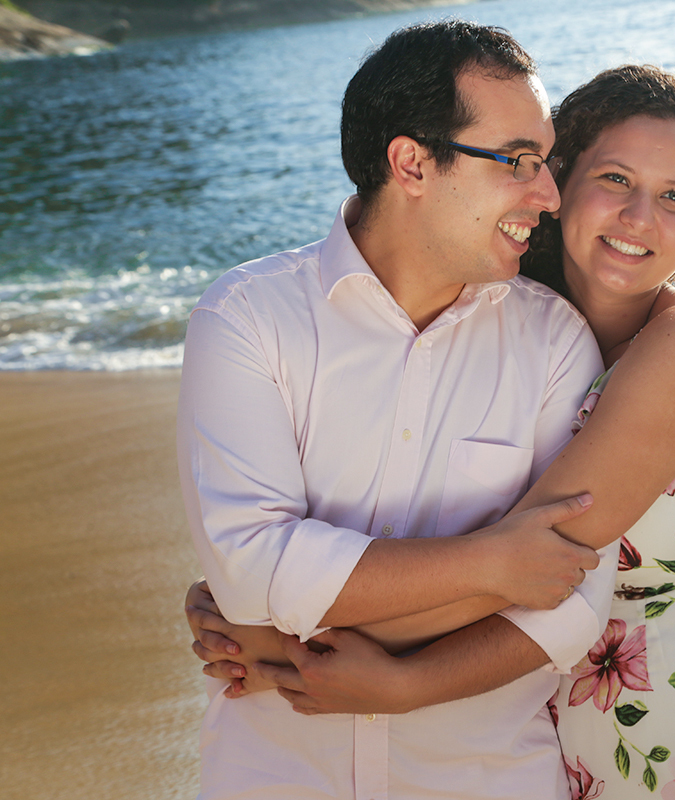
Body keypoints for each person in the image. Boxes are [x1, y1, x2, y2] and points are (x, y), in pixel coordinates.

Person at [190, 65, 675, 799]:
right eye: (616, 179)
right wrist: (249, 582)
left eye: (674, 198)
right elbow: (469, 545)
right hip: (583, 735)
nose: (639, 217)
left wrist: (288, 635)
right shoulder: (525, 325)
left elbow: (532, 564)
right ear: (558, 186)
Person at [176, 19, 622, 800]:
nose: (549, 194)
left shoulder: (553, 346)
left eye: (545, 163)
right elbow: (251, 570)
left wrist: (294, 620)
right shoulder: (246, 319)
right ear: (412, 163)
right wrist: (491, 563)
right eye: (518, 160)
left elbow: (572, 598)